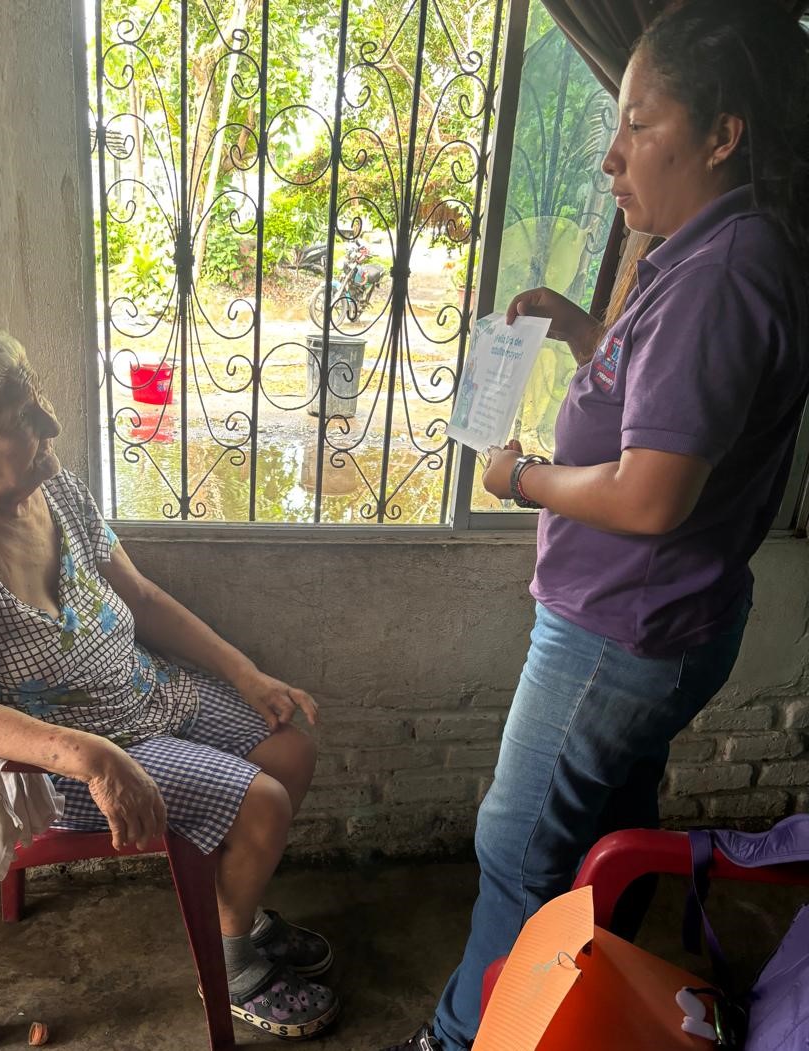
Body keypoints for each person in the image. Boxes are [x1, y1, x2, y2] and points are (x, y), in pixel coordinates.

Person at [383, 2, 809, 1048]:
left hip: (619, 627)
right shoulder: (715, 249)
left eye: (640, 124)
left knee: (517, 844)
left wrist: (522, 477)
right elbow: (661, 406)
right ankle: (585, 1002)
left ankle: (462, 1035)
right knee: (608, 828)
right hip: (656, 620)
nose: (612, 156)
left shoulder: (722, 274)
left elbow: (651, 492)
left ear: (723, 135)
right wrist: (584, 332)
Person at [0, 320, 338, 1039]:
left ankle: (230, 912)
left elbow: (139, 596)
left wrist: (246, 674)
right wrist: (93, 756)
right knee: (262, 803)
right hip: (55, 758)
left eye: (39, 400)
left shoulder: (54, 487)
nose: (50, 424)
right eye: (24, 417)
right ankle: (234, 961)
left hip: (141, 691)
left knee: (290, 748)